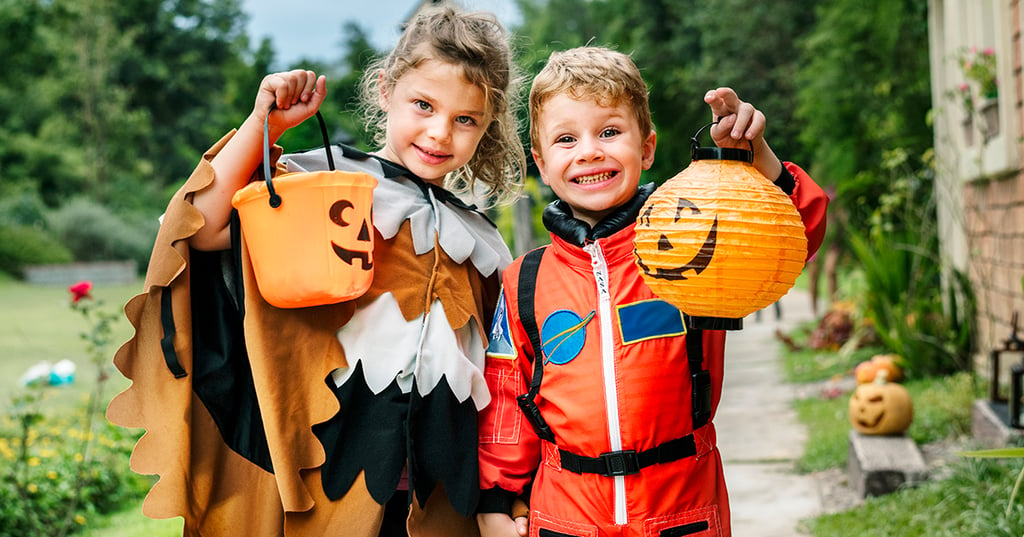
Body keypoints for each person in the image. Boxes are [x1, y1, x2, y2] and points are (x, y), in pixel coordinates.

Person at [107, 5, 525, 536]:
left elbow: (502, 378)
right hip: (324, 469)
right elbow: (200, 228)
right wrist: (265, 125)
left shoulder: (485, 244)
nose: (440, 132)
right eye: (423, 105)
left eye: (466, 119)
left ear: (488, 126)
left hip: (439, 491)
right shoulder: (322, 182)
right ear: (384, 90)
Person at [475, 46, 829, 537]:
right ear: (540, 160)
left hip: (682, 508)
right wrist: (495, 500)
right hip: (565, 515)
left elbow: (800, 231)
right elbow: (505, 400)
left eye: (609, 132)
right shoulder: (524, 281)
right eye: (565, 139)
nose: (589, 151)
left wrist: (756, 159)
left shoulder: (694, 246)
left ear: (646, 148)